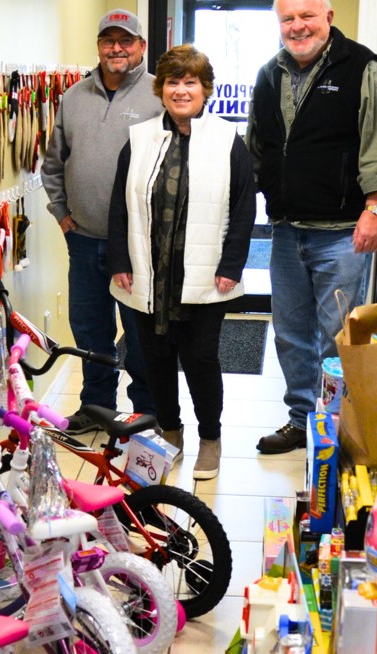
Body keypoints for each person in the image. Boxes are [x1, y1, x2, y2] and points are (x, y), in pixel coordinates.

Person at [246, 0, 377, 454]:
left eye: (306, 16)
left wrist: (375, 208)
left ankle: (336, 426)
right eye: (288, 19)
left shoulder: (362, 67)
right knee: (290, 332)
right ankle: (300, 420)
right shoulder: (268, 74)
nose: (298, 27)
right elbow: (259, 146)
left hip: (342, 230)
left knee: (338, 336)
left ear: (328, 17)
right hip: (287, 229)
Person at [108, 44, 256, 480]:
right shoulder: (139, 139)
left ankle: (210, 439)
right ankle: (170, 435)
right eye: (173, 81)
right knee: (153, 360)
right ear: (161, 89)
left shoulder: (229, 141)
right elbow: (120, 206)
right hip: (148, 274)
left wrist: (232, 264)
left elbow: (245, 207)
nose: (181, 90)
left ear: (205, 88)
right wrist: (120, 258)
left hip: (206, 276)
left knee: (201, 361)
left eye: (190, 81)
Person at [42, 9, 163, 434]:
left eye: (125, 40)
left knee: (140, 332)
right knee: (90, 329)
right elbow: (53, 163)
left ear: (141, 47)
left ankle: (148, 410)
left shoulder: (158, 95)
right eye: (109, 40)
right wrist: (61, 214)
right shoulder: (73, 97)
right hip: (84, 238)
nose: (117, 48)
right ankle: (96, 406)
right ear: (98, 46)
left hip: (137, 243)